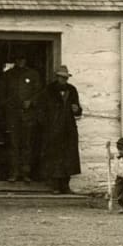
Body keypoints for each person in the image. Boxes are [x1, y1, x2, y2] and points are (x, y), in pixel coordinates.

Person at [39, 64, 83, 193]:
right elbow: (42, 110)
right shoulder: (49, 90)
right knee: (54, 156)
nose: (64, 80)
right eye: (61, 77)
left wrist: (77, 110)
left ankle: (66, 185)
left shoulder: (72, 90)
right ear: (57, 77)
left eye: (66, 78)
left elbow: (78, 109)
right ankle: (55, 186)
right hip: (53, 128)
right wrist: (46, 125)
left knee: (68, 157)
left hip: (68, 128)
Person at [1, 53, 42, 183]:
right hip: (13, 116)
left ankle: (25, 174)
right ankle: (13, 173)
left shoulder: (33, 74)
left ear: (26, 60)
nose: (20, 61)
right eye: (18, 58)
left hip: (28, 115)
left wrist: (31, 101)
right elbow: (2, 94)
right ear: (15, 60)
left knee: (27, 144)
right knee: (13, 144)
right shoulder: (8, 75)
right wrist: (9, 105)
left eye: (23, 58)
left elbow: (40, 93)